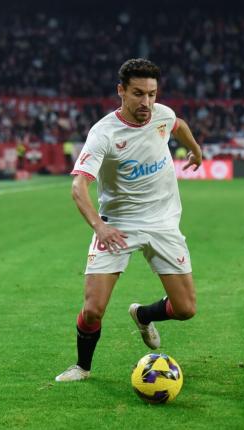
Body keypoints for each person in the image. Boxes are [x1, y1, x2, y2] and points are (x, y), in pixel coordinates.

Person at [55, 58, 203, 382]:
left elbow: (178, 125)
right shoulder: (104, 133)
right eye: (138, 94)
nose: (146, 102)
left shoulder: (161, 115)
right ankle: (82, 366)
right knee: (93, 309)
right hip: (117, 224)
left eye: (152, 94)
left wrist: (195, 150)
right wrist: (99, 226)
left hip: (163, 223)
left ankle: (143, 314)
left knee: (186, 309)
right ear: (121, 91)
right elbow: (79, 185)